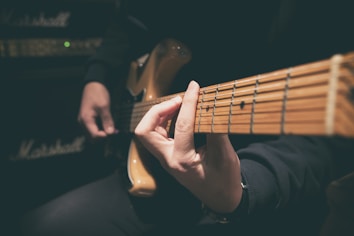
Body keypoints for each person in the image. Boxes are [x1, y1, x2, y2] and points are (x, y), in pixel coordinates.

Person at [20, 0, 354, 235]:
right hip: (148, 177)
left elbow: (330, 146)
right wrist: (98, 74)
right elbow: (130, 17)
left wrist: (242, 188)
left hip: (256, 198)